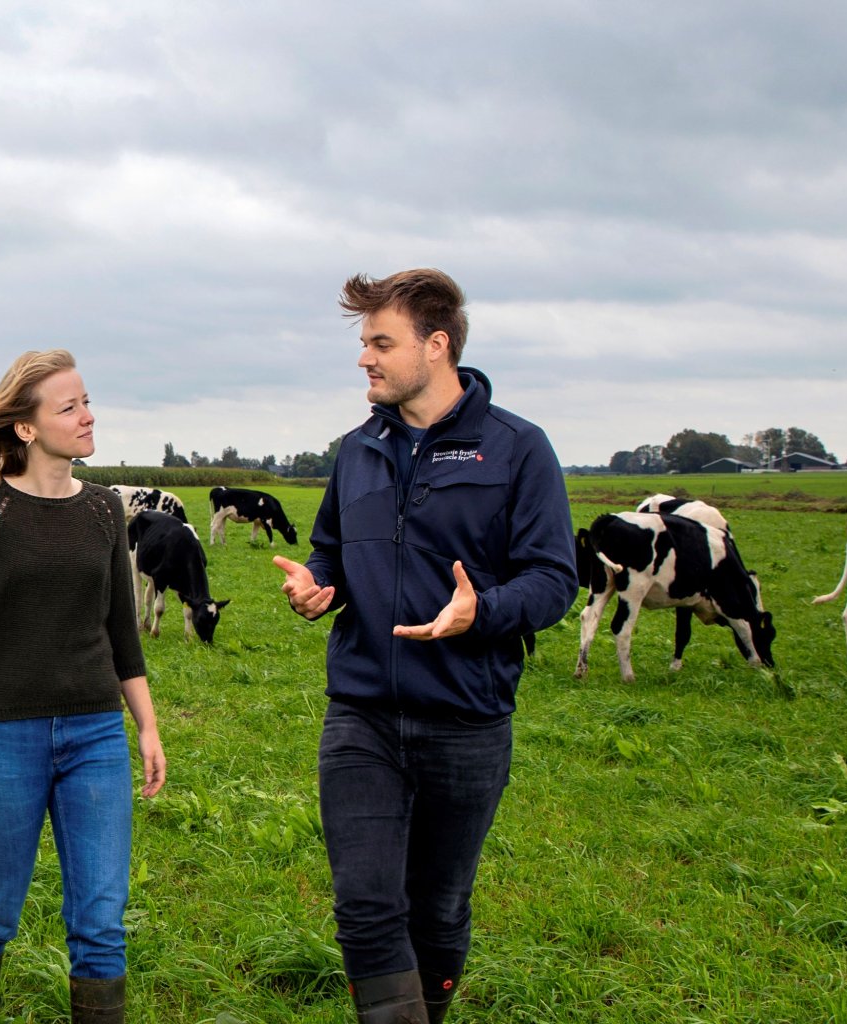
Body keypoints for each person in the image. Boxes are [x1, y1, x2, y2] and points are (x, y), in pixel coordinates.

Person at [272, 269, 575, 1024]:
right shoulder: (357, 450)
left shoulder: (516, 450)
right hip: (363, 713)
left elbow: (554, 579)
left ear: (436, 346)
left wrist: (485, 612)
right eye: (364, 343)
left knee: (437, 909)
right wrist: (316, 586)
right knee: (368, 904)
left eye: (382, 343)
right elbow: (332, 550)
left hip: (467, 717)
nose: (365, 359)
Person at [0, 349, 168, 1024]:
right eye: (70, 407)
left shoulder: (104, 513)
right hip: (4, 739)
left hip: (96, 737)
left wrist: (145, 725)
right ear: (25, 428)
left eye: (87, 402)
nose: (88, 416)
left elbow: (122, 631)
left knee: (101, 924)